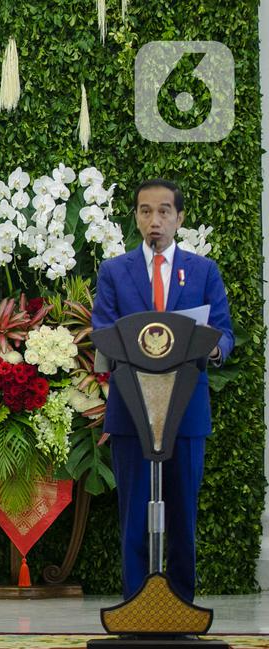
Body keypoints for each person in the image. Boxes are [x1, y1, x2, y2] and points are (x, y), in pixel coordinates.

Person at [92, 179, 234, 602]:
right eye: (145, 211)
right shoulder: (115, 271)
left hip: (186, 411)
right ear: (135, 216)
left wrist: (211, 350)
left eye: (164, 211)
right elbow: (103, 331)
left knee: (182, 515)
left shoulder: (204, 270)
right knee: (133, 513)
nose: (155, 221)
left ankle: (181, 606)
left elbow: (223, 333)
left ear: (180, 218)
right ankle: (136, 605)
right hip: (131, 411)